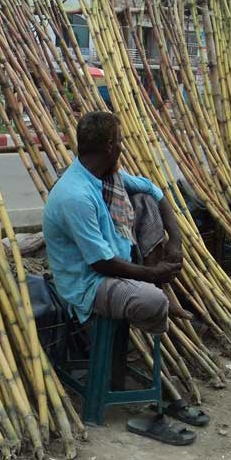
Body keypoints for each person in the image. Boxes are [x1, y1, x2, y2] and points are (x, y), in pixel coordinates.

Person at [44, 111, 190, 334]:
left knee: (145, 200)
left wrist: (175, 241)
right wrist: (152, 273)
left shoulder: (107, 176)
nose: (123, 147)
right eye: (121, 141)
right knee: (152, 301)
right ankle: (157, 299)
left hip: (116, 263)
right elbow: (100, 263)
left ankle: (152, 289)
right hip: (89, 283)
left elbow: (154, 191)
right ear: (109, 147)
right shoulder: (75, 195)